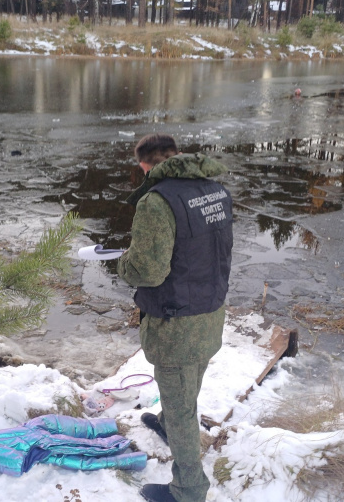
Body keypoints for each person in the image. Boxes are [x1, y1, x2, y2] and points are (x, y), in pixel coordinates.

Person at [117, 134, 234, 502]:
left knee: (183, 404)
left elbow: (147, 271)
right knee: (187, 383)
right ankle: (168, 424)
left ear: (144, 165)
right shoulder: (214, 189)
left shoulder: (156, 201)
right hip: (210, 311)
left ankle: (188, 489)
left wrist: (121, 262)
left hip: (175, 323)